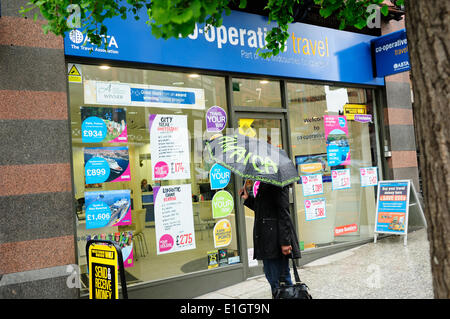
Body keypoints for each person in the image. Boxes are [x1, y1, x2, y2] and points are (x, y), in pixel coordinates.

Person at [239, 180, 301, 297]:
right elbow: (263, 209)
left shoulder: (277, 181)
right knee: (273, 277)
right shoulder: (264, 181)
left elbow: (284, 212)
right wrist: (248, 199)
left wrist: (285, 242)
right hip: (266, 238)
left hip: (275, 239)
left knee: (280, 279)